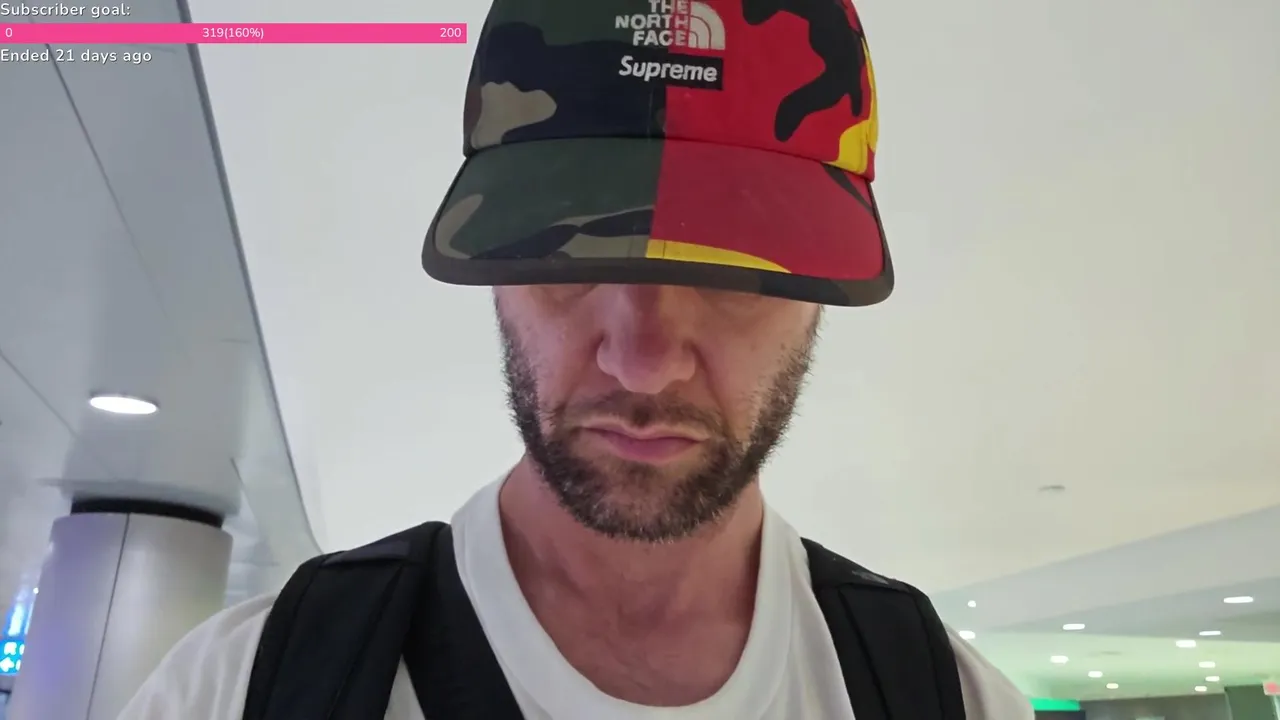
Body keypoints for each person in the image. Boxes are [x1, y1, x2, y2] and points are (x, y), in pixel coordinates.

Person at [120, 0, 1035, 716]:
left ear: (812, 300)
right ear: (499, 279)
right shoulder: (238, 689)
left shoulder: (947, 699)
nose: (644, 363)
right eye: (570, 257)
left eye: (734, 272)